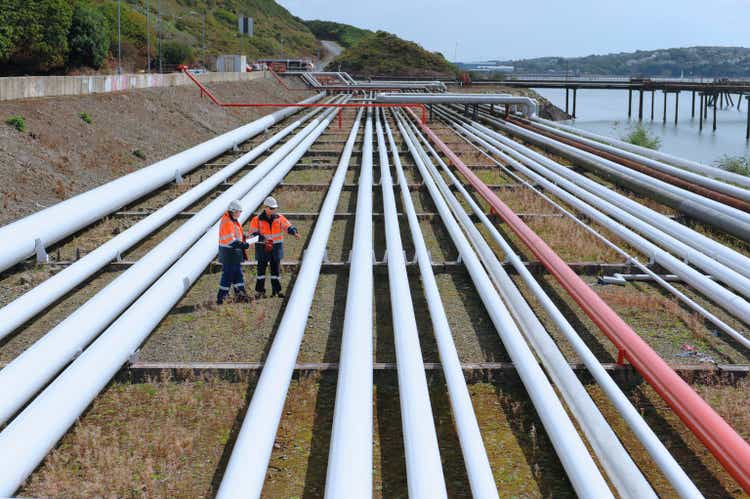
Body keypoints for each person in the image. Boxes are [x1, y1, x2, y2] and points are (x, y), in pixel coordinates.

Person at [248, 196, 300, 298]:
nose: (273, 210)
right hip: (262, 248)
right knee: (261, 271)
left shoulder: (279, 218)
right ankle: (260, 292)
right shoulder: (256, 219)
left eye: (275, 208)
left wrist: (294, 232)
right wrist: (262, 238)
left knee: (275, 271)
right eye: (271, 208)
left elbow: (288, 226)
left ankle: (276, 291)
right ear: (265, 207)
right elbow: (252, 233)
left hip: (276, 248)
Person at [217, 200, 250, 304]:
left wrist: (244, 237)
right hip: (228, 253)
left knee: (238, 274)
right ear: (233, 211)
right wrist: (243, 245)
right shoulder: (227, 221)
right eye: (239, 212)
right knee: (228, 275)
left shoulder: (233, 220)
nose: (240, 214)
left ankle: (241, 295)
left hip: (234, 253)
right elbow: (230, 240)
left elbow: (236, 235)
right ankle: (221, 298)